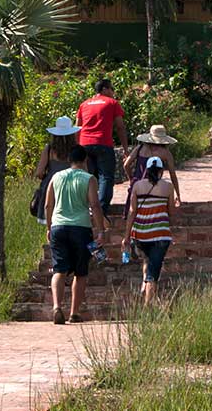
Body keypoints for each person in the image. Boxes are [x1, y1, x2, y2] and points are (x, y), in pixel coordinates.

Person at [45, 145, 108, 324]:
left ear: (69, 160)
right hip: (80, 228)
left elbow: (48, 205)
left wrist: (49, 227)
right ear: (85, 160)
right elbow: (95, 205)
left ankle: (57, 306)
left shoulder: (56, 177)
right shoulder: (89, 179)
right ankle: (74, 312)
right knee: (80, 272)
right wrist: (101, 229)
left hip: (58, 226)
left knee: (59, 269)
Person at [122, 156, 175, 306]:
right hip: (160, 235)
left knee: (147, 260)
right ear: (161, 171)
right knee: (153, 273)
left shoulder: (137, 186)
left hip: (140, 234)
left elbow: (132, 212)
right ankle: (148, 306)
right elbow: (171, 212)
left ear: (146, 169)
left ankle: (145, 286)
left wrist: (126, 236)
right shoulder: (167, 187)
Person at [75, 78, 128, 216]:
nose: (113, 92)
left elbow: (78, 127)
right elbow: (120, 127)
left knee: (87, 177)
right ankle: (102, 211)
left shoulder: (84, 104)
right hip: (103, 143)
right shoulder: (112, 103)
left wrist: (76, 148)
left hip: (84, 144)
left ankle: (86, 209)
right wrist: (126, 149)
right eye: (111, 89)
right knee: (106, 177)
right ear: (104, 89)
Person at [123, 124, 182, 214]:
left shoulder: (140, 148)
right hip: (155, 187)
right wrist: (178, 194)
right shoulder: (165, 153)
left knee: (133, 213)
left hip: (138, 185)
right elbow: (172, 174)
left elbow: (126, 165)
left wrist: (131, 179)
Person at [32, 116, 80, 225]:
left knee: (51, 218)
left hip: (51, 185)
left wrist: (45, 176)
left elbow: (39, 172)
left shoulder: (49, 149)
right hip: (71, 185)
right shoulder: (76, 149)